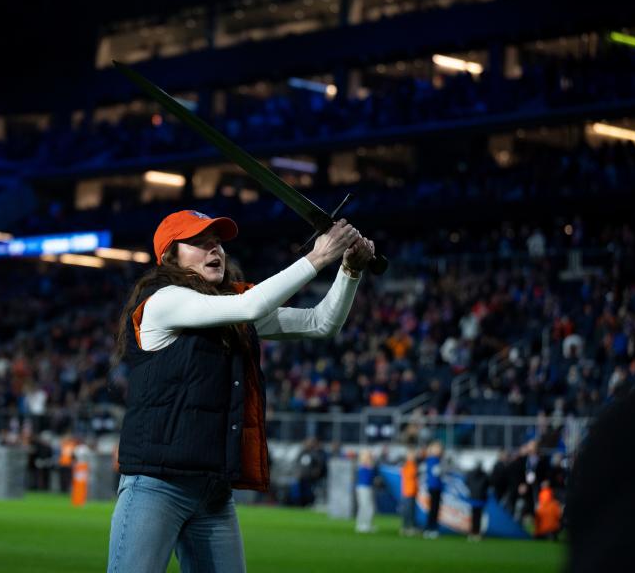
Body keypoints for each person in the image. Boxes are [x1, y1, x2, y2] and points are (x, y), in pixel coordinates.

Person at [107, 209, 372, 572]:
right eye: (200, 242)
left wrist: (349, 271)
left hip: (213, 492)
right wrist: (319, 256)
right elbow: (252, 304)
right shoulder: (163, 299)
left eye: (217, 242)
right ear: (170, 255)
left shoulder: (230, 310)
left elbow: (320, 322)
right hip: (156, 486)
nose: (214, 249)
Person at [423, 441, 444, 539]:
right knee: (433, 509)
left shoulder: (435, 459)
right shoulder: (433, 459)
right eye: (437, 448)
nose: (439, 450)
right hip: (434, 487)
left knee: (434, 509)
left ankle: (430, 528)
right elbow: (437, 473)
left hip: (435, 487)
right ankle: (431, 528)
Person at [466, 461, 490, 541]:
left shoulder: (470, 474)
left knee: (473, 517)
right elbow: (488, 484)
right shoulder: (484, 475)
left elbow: (467, 483)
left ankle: (472, 532)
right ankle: (477, 533)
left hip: (473, 498)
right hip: (481, 498)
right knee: (479, 517)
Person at [355, 450, 377, 533]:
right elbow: (368, 478)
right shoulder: (364, 467)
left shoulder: (365, 467)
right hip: (364, 488)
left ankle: (364, 524)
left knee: (365, 507)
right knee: (367, 507)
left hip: (365, 488)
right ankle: (364, 525)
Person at [400, 449, 419, 536]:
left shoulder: (410, 465)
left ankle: (408, 527)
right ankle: (407, 527)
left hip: (411, 491)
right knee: (408, 511)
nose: (413, 457)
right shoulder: (409, 465)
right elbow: (411, 475)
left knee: (410, 511)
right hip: (408, 492)